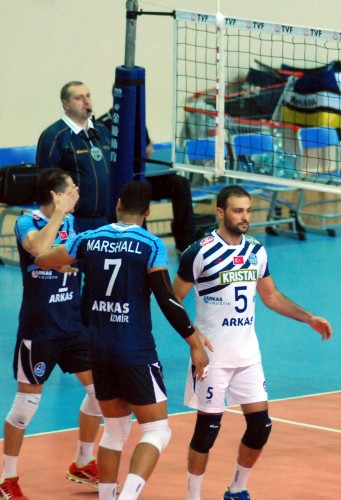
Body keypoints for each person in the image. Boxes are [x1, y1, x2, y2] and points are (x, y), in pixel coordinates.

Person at [34, 181, 210, 500]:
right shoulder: (150, 244)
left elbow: (42, 260)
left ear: (117, 205)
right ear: (148, 212)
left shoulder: (87, 239)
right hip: (135, 350)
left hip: (98, 349)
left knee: (115, 432)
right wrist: (194, 342)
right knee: (157, 430)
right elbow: (167, 298)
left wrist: (63, 263)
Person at [172, 184, 332, 500]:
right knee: (206, 432)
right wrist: (193, 336)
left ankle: (237, 489)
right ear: (220, 213)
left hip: (247, 356)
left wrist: (308, 318)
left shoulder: (256, 251)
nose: (245, 217)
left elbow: (271, 296)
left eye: (248, 210)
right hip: (213, 358)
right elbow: (173, 299)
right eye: (237, 211)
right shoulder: (200, 252)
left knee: (261, 427)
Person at [0, 170, 102, 500]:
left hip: (71, 325)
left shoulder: (72, 222)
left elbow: (65, 254)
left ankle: (82, 463)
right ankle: (7, 478)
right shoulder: (25, 221)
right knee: (26, 405)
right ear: (56, 196)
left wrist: (60, 259)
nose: (77, 191)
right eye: (71, 189)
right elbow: (39, 248)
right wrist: (58, 218)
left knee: (100, 393)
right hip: (39, 328)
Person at [98, 107, 197, 253]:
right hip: (125, 180)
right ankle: (143, 243)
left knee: (180, 183)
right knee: (141, 187)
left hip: (145, 175)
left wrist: (150, 153)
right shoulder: (103, 125)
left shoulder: (138, 121)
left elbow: (148, 149)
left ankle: (186, 243)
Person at [37, 81, 112, 232]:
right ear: (66, 104)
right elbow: (47, 182)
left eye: (88, 96)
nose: (86, 101)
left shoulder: (102, 130)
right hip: (74, 221)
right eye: (79, 98)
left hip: (106, 218)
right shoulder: (54, 136)